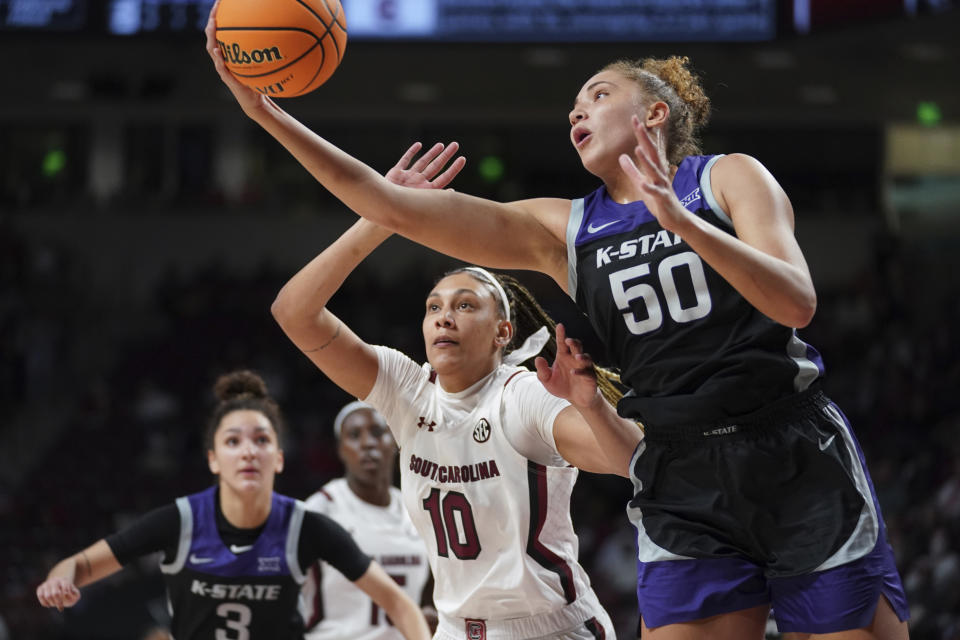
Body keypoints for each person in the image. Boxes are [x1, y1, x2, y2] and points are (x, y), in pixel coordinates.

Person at [205, 8, 909, 636]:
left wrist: (682, 224)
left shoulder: (729, 178)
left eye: (598, 96)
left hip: (787, 443)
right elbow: (388, 205)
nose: (577, 113)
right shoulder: (563, 228)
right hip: (679, 463)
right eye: (572, 107)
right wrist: (265, 113)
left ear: (655, 114)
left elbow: (796, 303)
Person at [269, 155, 643, 638]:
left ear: (502, 332)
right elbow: (294, 312)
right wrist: (380, 215)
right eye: (433, 307)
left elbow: (629, 458)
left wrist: (591, 406)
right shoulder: (406, 388)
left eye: (465, 306)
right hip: (456, 628)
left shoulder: (524, 395)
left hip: (548, 628)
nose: (444, 317)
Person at [36, 370, 431, 640]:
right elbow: (81, 565)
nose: (248, 452)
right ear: (212, 458)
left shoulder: (304, 526)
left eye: (261, 440)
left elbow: (399, 602)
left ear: (278, 457)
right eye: (232, 441)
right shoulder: (182, 520)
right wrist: (61, 577)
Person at [301, 401, 437, 640]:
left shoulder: (418, 509)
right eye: (354, 435)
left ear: (394, 442)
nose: (367, 443)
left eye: (377, 432)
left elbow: (431, 597)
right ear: (341, 449)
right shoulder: (319, 509)